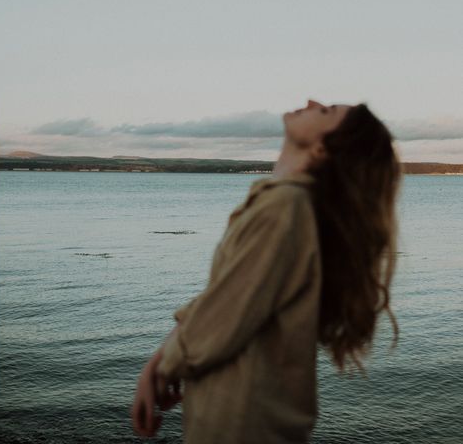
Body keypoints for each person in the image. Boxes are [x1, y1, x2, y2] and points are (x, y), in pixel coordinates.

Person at [131, 98, 402, 443]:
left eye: (325, 111)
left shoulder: (284, 208)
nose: (311, 102)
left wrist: (161, 370)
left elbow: (223, 317)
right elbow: (225, 296)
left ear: (321, 150)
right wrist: (161, 360)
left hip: (243, 426)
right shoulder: (288, 206)